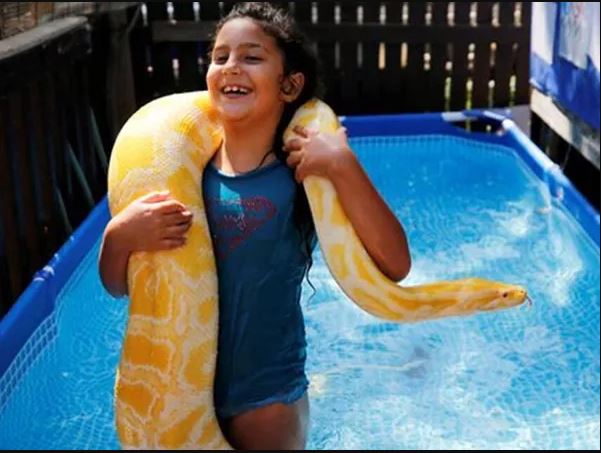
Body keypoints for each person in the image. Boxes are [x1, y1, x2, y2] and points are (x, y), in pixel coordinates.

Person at [99, 2, 411, 450]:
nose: (231, 67)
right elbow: (119, 287)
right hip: (175, 394)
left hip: (268, 400)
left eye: (251, 56)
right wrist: (119, 236)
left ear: (289, 85)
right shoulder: (181, 176)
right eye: (220, 56)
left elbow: (395, 264)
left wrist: (344, 166)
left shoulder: (302, 174)